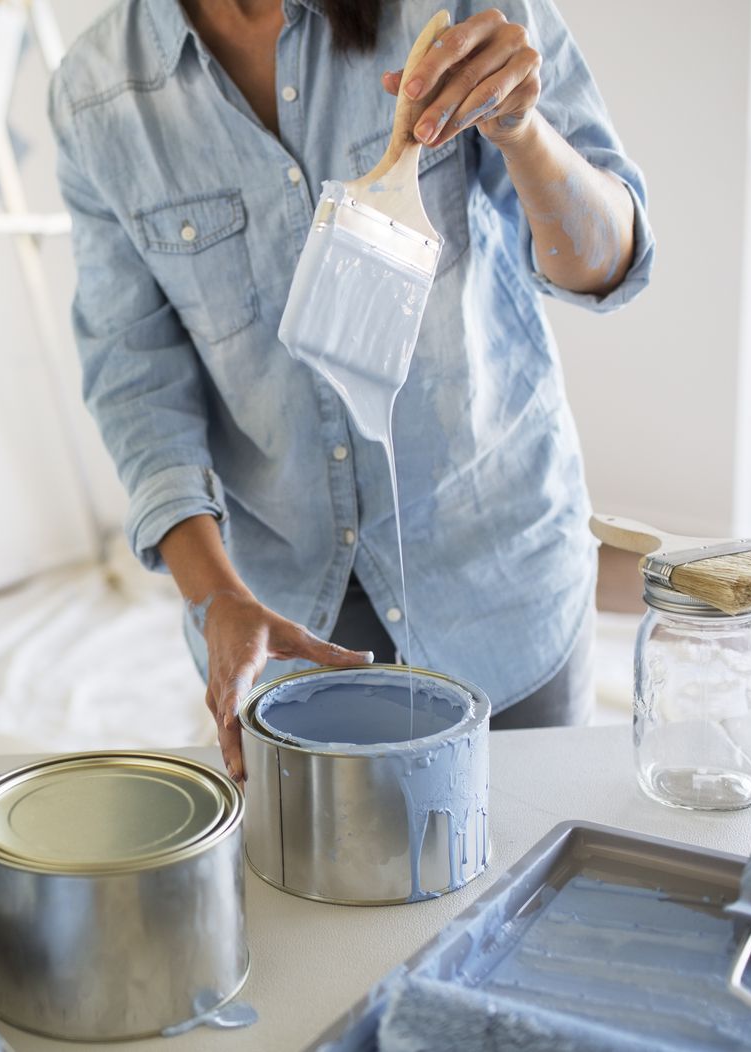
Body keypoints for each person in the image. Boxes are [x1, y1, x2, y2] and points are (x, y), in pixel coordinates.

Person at [49, 0, 653, 781]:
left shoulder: (454, 9)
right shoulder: (95, 96)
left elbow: (609, 264)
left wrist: (521, 133)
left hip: (500, 588)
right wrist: (213, 595)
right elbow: (136, 378)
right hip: (285, 624)